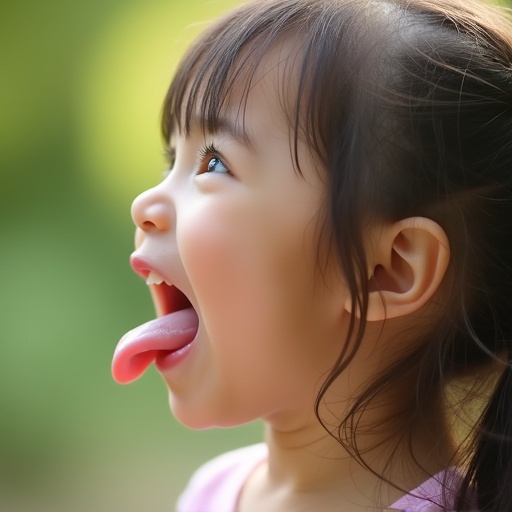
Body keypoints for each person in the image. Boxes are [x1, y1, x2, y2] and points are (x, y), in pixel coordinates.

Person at [111, 0, 512, 509]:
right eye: (173, 159)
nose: (145, 203)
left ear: (389, 269)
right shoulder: (214, 492)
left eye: (214, 163)